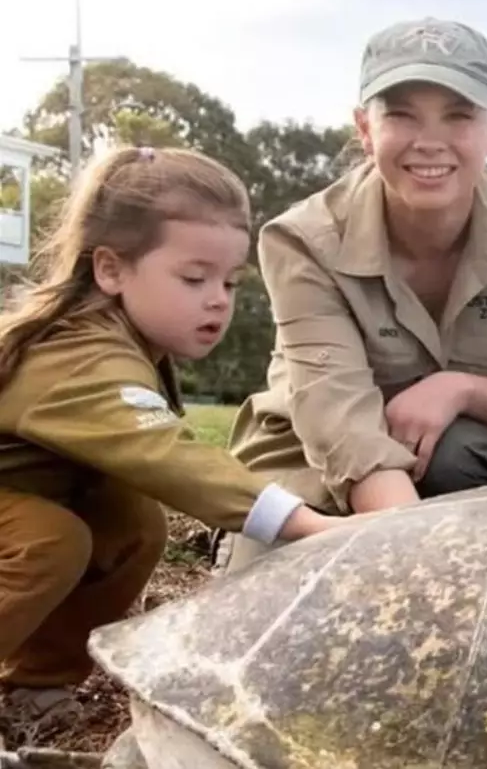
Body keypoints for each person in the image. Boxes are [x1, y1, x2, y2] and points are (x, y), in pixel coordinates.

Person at [0, 146, 345, 745]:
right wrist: (312, 526)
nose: (218, 298)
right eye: (193, 277)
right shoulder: (78, 352)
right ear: (110, 269)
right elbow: (170, 457)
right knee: (47, 542)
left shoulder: (127, 340)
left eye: (231, 282)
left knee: (131, 522)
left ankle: (33, 688)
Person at [222, 18, 487, 571]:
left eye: (459, 115)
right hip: (312, 462)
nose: (429, 141)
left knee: (469, 460)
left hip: (466, 458)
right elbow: (341, 426)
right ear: (364, 128)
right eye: (401, 115)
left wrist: (462, 388)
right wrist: (416, 565)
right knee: (263, 604)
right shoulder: (301, 239)